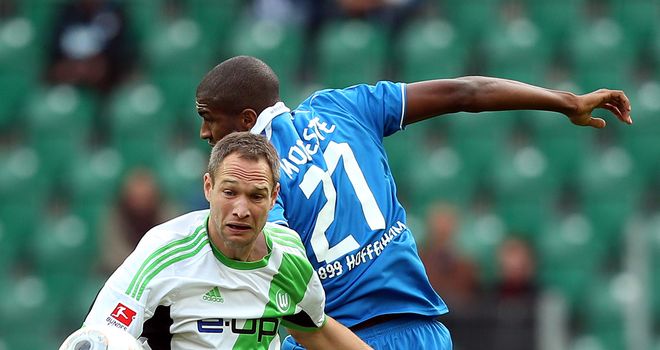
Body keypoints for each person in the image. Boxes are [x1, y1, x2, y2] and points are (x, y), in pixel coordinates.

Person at [194, 56, 632, 349]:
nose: (204, 133)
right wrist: (565, 101)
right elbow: (468, 92)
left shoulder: (256, 182)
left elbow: (273, 267)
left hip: (342, 339)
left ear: (247, 120)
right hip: (423, 334)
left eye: (208, 118)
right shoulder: (343, 107)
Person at [67, 132, 371, 349]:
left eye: (255, 196)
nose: (241, 210)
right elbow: (97, 339)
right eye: (229, 192)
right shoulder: (163, 252)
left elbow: (315, 330)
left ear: (273, 197)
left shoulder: (289, 258)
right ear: (208, 188)